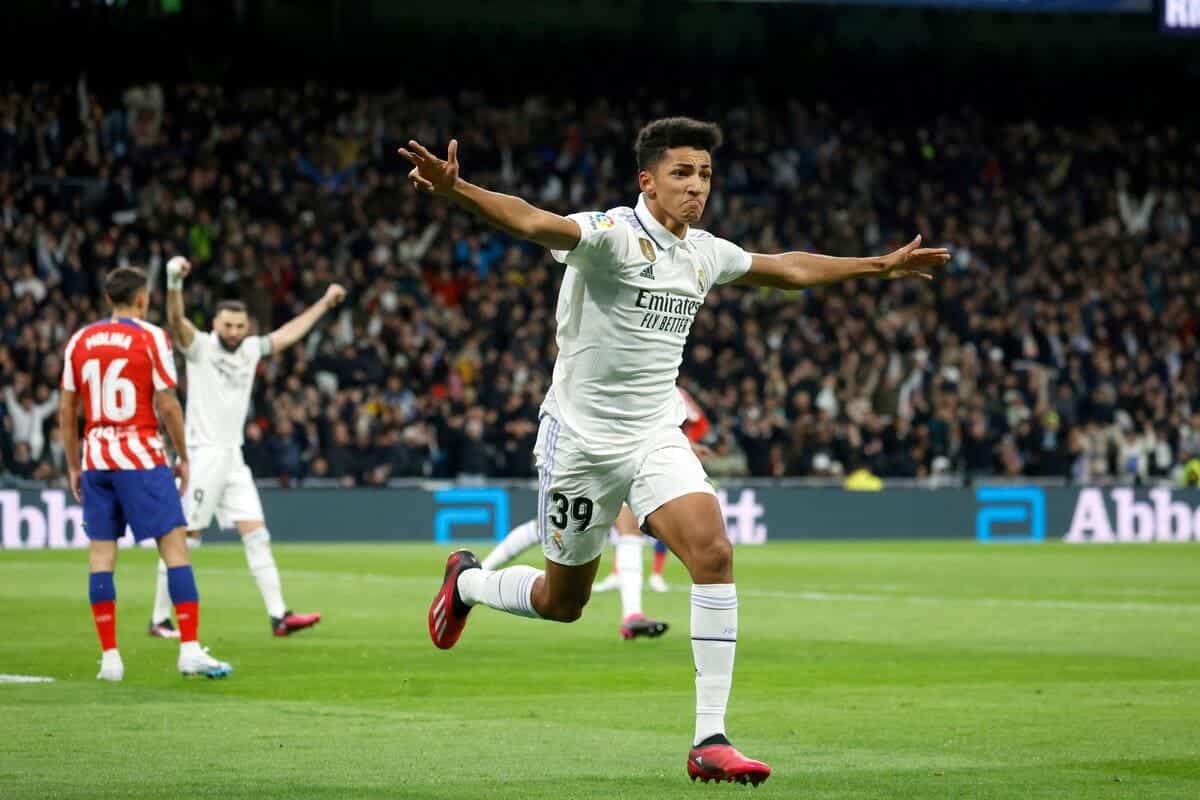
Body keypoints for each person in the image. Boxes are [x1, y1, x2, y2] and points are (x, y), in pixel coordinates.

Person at [405, 117, 948, 786]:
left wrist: (878, 265)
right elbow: (534, 222)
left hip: (655, 434)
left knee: (713, 551)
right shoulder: (611, 237)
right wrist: (459, 191)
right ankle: (467, 583)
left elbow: (786, 268)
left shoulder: (704, 254)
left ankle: (709, 739)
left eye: (706, 175)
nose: (697, 187)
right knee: (562, 602)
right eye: (682, 173)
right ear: (648, 181)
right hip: (581, 443)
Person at [146, 256, 344, 639]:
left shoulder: (251, 349)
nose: (234, 332)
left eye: (240, 326)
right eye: (228, 325)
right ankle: (159, 619)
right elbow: (176, 320)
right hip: (202, 455)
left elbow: (288, 334)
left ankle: (279, 616)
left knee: (256, 533)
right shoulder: (200, 347)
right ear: (215, 324)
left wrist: (323, 303)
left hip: (233, 458)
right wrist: (174, 282)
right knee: (185, 537)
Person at [59, 266, 232, 681]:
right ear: (143, 299)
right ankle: (189, 650)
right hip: (141, 457)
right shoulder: (151, 337)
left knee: (101, 558)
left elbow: (67, 408)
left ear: (108, 299)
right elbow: (167, 404)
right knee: (175, 550)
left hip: (97, 459)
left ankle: (110, 660)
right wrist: (184, 456)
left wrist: (74, 464)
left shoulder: (80, 340)